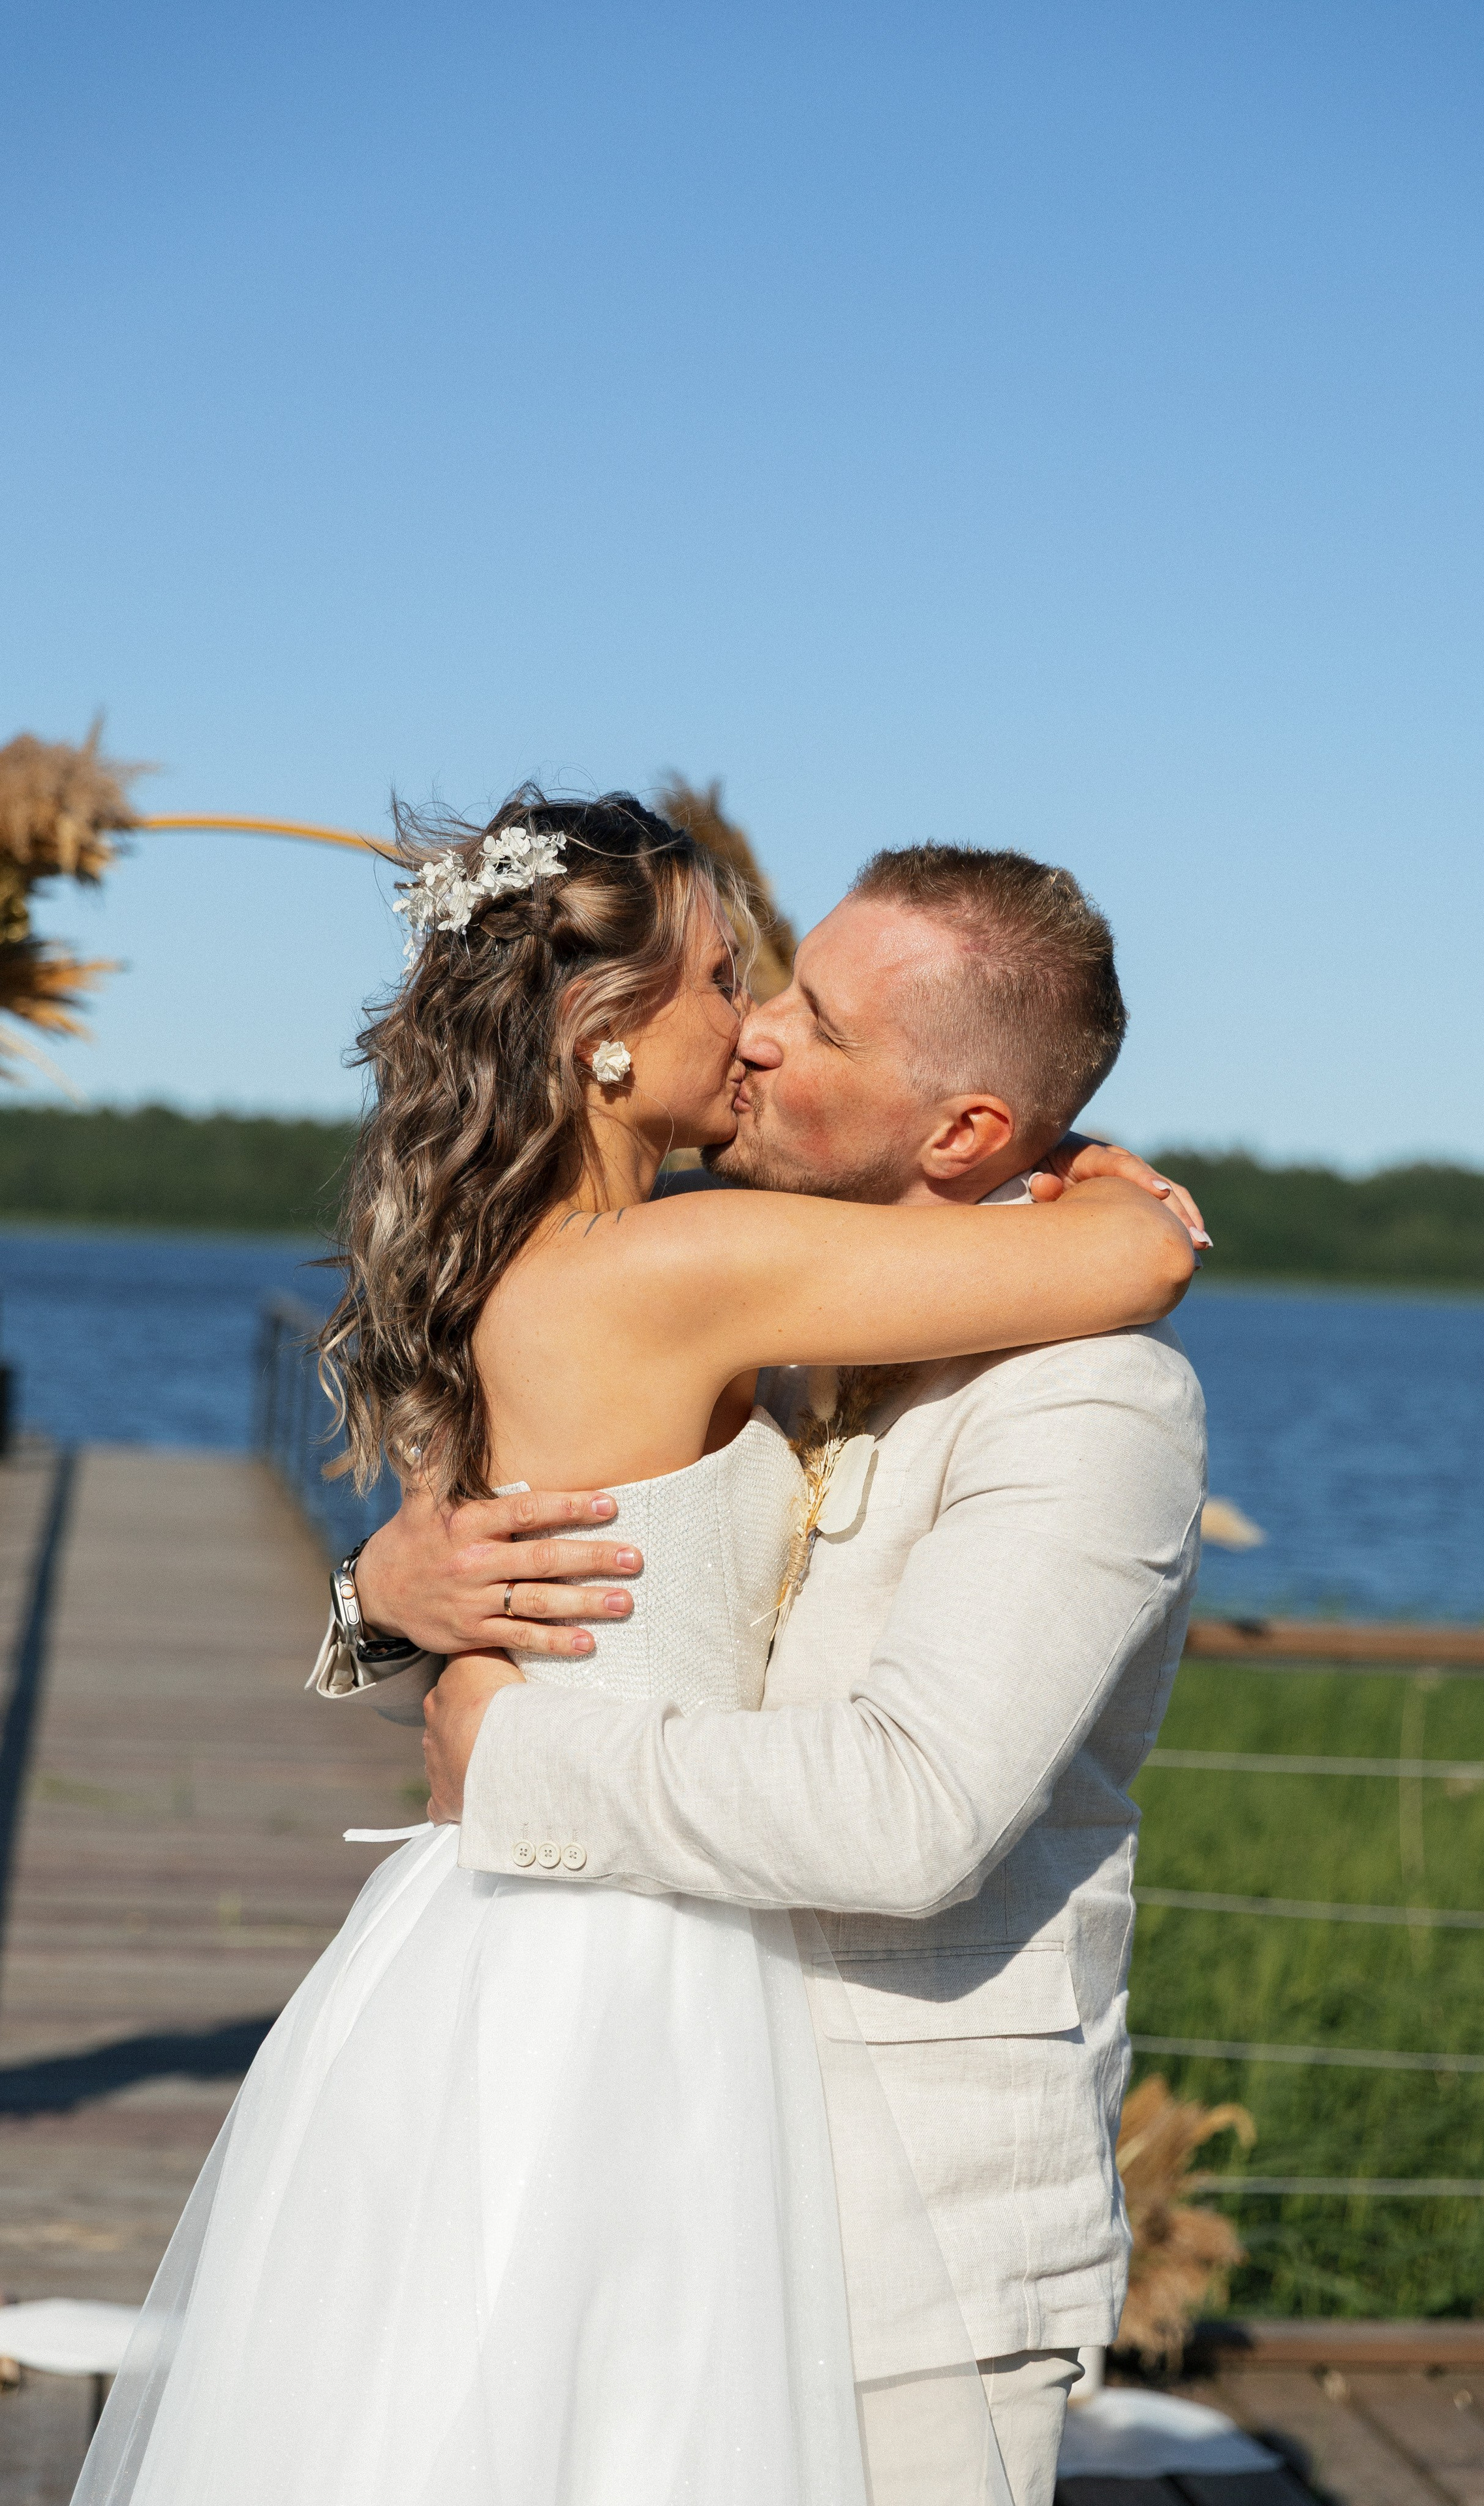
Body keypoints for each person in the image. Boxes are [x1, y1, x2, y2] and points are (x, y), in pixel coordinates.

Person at [75, 795, 1194, 2506]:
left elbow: (567, 1645)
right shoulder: (690, 1269)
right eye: (740, 982)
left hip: (608, 1999)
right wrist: (1134, 1220)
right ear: (601, 1043)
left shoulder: (613, 1276)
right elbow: (1124, 1255)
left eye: (802, 1011)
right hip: (621, 1991)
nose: (753, 1030)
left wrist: (404, 1631)